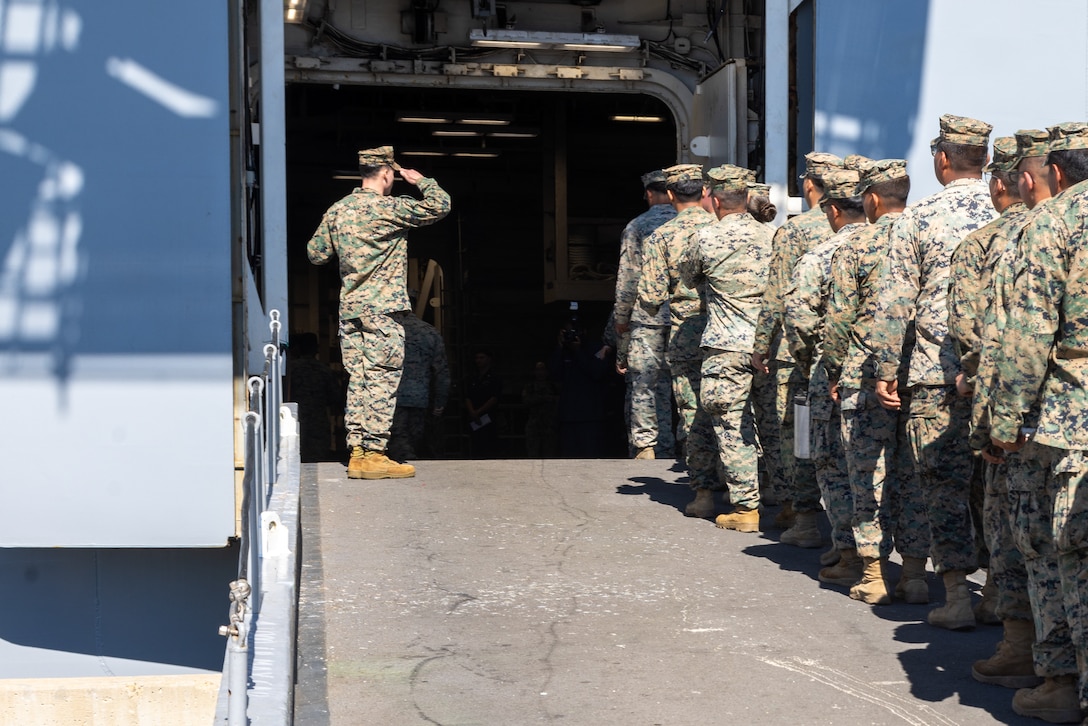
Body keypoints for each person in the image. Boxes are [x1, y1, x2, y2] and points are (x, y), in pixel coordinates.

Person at [870, 114, 996, 630]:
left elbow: (895, 301)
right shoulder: (1008, 211)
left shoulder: (917, 219)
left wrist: (883, 367)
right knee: (993, 489)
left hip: (934, 374)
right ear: (985, 160)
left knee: (942, 486)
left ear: (941, 159)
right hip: (998, 375)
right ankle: (1000, 597)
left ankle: (957, 598)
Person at [985, 124, 1084, 722]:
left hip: (1073, 416)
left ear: (1051, 173)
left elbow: (1028, 339)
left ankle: (1064, 684)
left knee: (1069, 555)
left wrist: (1004, 420)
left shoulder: (1053, 223)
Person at [821, 158, 930, 605]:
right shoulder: (926, 234)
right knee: (915, 476)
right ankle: (917, 575)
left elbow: (839, 318)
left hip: (866, 376)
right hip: (923, 373)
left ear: (869, 198)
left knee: (868, 474)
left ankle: (873, 573)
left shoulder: (855, 245)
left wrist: (833, 369)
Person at [306, 145, 450, 479]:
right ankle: (373, 452)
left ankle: (357, 451)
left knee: (359, 379)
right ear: (387, 173)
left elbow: (315, 254)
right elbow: (440, 206)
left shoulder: (338, 211)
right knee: (382, 378)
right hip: (383, 310)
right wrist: (421, 181)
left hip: (351, 311)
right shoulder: (390, 209)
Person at [678, 164, 773, 531]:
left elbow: (688, 278)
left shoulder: (706, 238)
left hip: (726, 346)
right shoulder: (773, 235)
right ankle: (787, 503)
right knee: (772, 426)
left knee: (733, 427)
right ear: (748, 198)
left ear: (714, 200)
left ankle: (746, 508)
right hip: (768, 347)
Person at [752, 152, 842, 538]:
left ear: (809, 185)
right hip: (856, 353)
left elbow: (778, 296)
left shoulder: (796, 231)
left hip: (800, 352)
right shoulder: (868, 225)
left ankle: (803, 516)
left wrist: (762, 345)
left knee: (799, 433)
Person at [784, 167, 868, 575]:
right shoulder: (890, 246)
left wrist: (812, 365)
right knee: (881, 466)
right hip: (885, 375)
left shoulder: (818, 257)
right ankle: (894, 564)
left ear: (832, 210)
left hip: (833, 374)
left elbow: (798, 322)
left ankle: (850, 554)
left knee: (832, 464)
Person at [636, 164, 716, 517]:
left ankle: (703, 492)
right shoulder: (722, 230)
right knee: (736, 412)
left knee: (695, 414)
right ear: (704, 193)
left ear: (670, 195)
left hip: (687, 336)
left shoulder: (661, 237)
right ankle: (746, 486)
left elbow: (651, 297)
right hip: (731, 335)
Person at [613, 170, 678, 460]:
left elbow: (628, 277)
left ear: (649, 194)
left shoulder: (637, 226)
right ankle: (689, 444)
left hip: (648, 318)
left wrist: (621, 318)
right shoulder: (694, 224)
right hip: (685, 318)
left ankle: (647, 447)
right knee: (685, 382)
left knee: (646, 383)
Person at [388, 311, 450, 463]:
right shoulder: (430, 332)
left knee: (398, 447)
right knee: (415, 442)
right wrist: (439, 404)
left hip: (390, 399)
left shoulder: (385, 331)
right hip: (421, 400)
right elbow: (441, 372)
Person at [548, 318, 611, 457]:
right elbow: (554, 374)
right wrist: (559, 347)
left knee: (591, 456)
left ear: (584, 332)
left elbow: (596, 373)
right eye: (567, 332)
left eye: (574, 332)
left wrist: (578, 351)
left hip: (591, 416)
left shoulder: (596, 349)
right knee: (568, 458)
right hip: (568, 416)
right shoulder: (563, 351)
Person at [287, 332, 342, 463]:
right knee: (318, 461)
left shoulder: (290, 370)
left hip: (294, 419)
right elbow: (336, 397)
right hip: (318, 421)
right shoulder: (324, 370)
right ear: (316, 349)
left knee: (292, 458)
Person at [465, 347, 503, 458]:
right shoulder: (472, 377)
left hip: (489, 417)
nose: (479, 360)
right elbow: (467, 396)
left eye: (482, 357)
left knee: (489, 447)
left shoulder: (494, 377)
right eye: (477, 358)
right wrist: (472, 412)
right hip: (474, 418)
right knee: (475, 446)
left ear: (489, 359)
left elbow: (494, 397)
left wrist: (479, 411)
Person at [522, 361, 558, 458]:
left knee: (549, 455)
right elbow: (526, 401)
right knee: (533, 455)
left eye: (542, 369)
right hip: (533, 425)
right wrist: (544, 398)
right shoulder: (530, 386)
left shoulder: (553, 386)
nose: (540, 372)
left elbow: (558, 400)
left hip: (549, 426)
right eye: (538, 369)